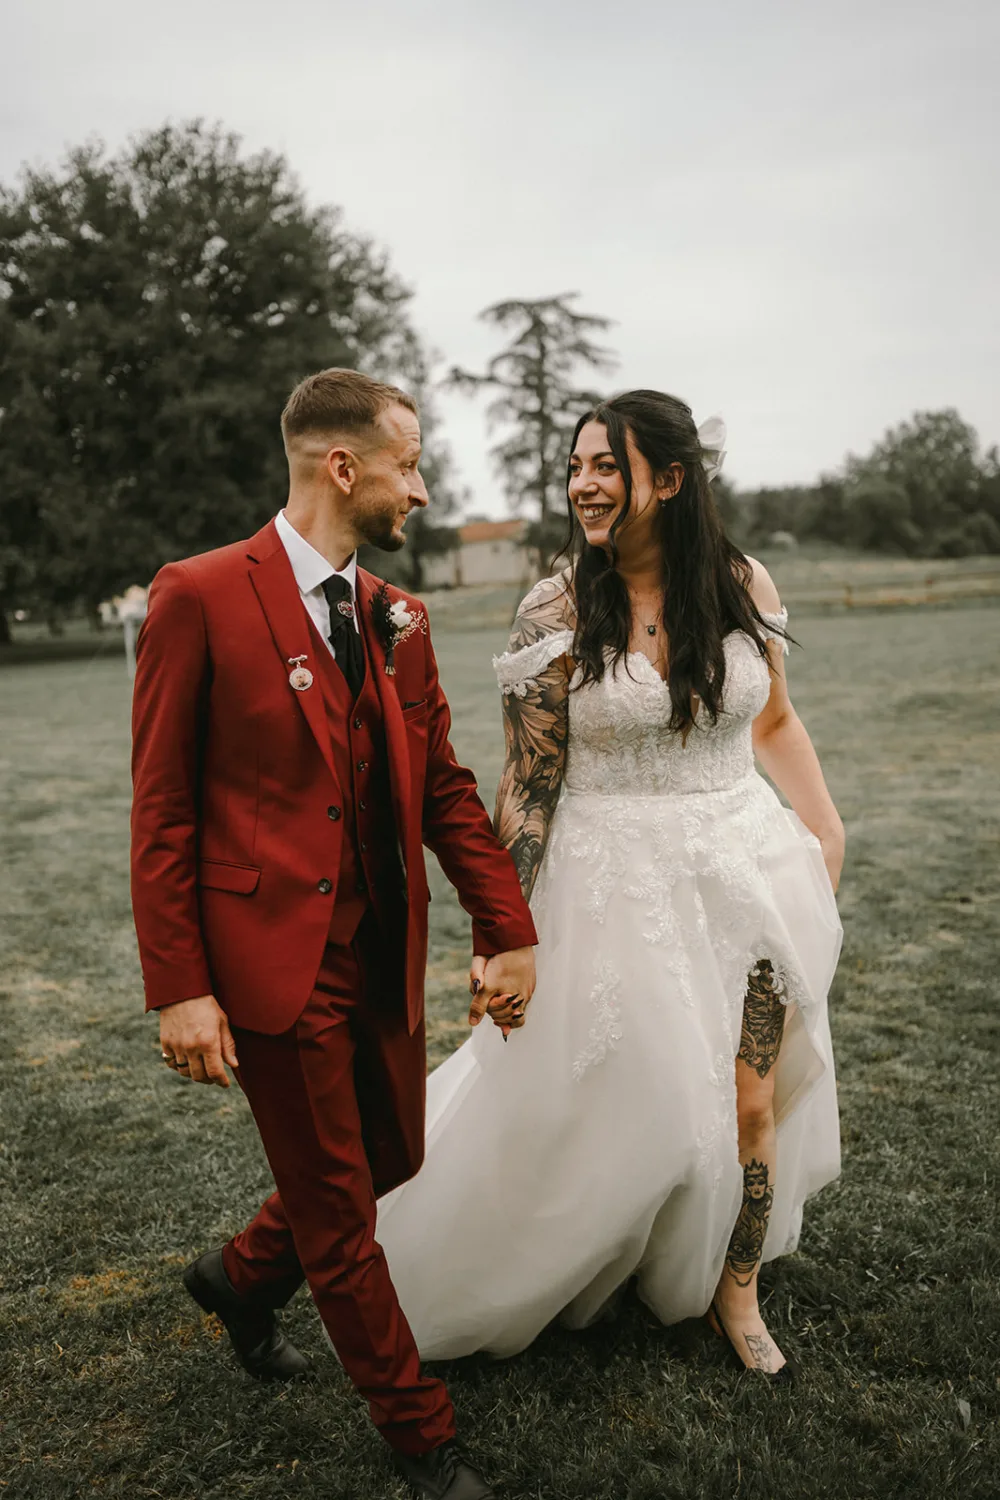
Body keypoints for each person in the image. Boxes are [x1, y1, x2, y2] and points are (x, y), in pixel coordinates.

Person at [377, 389, 844, 1379]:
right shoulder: (554, 606)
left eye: (606, 466)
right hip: (608, 882)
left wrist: (823, 825)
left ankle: (737, 1290)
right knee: (633, 1104)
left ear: (668, 481)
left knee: (750, 1104)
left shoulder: (740, 584)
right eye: (576, 465)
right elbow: (528, 780)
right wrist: (506, 927)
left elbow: (772, 722)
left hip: (748, 870)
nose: (583, 485)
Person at [130, 368, 538, 1500]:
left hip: (379, 950)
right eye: (409, 465)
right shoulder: (198, 595)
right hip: (266, 961)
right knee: (340, 1214)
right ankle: (425, 1442)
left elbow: (445, 785)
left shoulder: (396, 619)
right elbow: (161, 807)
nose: (421, 488)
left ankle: (240, 1278)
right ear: (343, 466)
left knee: (386, 1159)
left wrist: (507, 925)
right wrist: (179, 986)